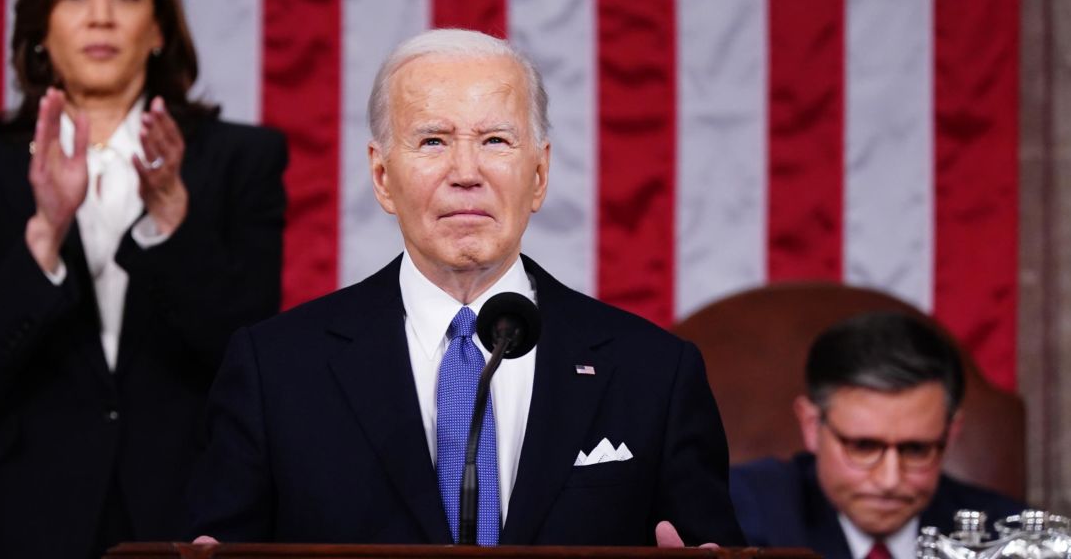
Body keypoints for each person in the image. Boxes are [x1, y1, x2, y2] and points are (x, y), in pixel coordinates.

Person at [188, 28, 745, 547]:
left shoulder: (653, 374)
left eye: (496, 140)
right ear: (382, 176)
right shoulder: (277, 370)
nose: (465, 172)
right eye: (432, 141)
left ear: (540, 175)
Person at [0, 0, 286, 559]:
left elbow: (249, 361)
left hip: (182, 517)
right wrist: (44, 235)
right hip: (5, 522)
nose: (101, 15)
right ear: (41, 31)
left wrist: (172, 219)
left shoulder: (240, 161)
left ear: (158, 29)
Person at [730, 313, 1025, 559]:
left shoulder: (1010, 540)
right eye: (863, 446)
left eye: (916, 449)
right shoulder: (736, 516)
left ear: (950, 434)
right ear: (811, 425)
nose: (889, 481)